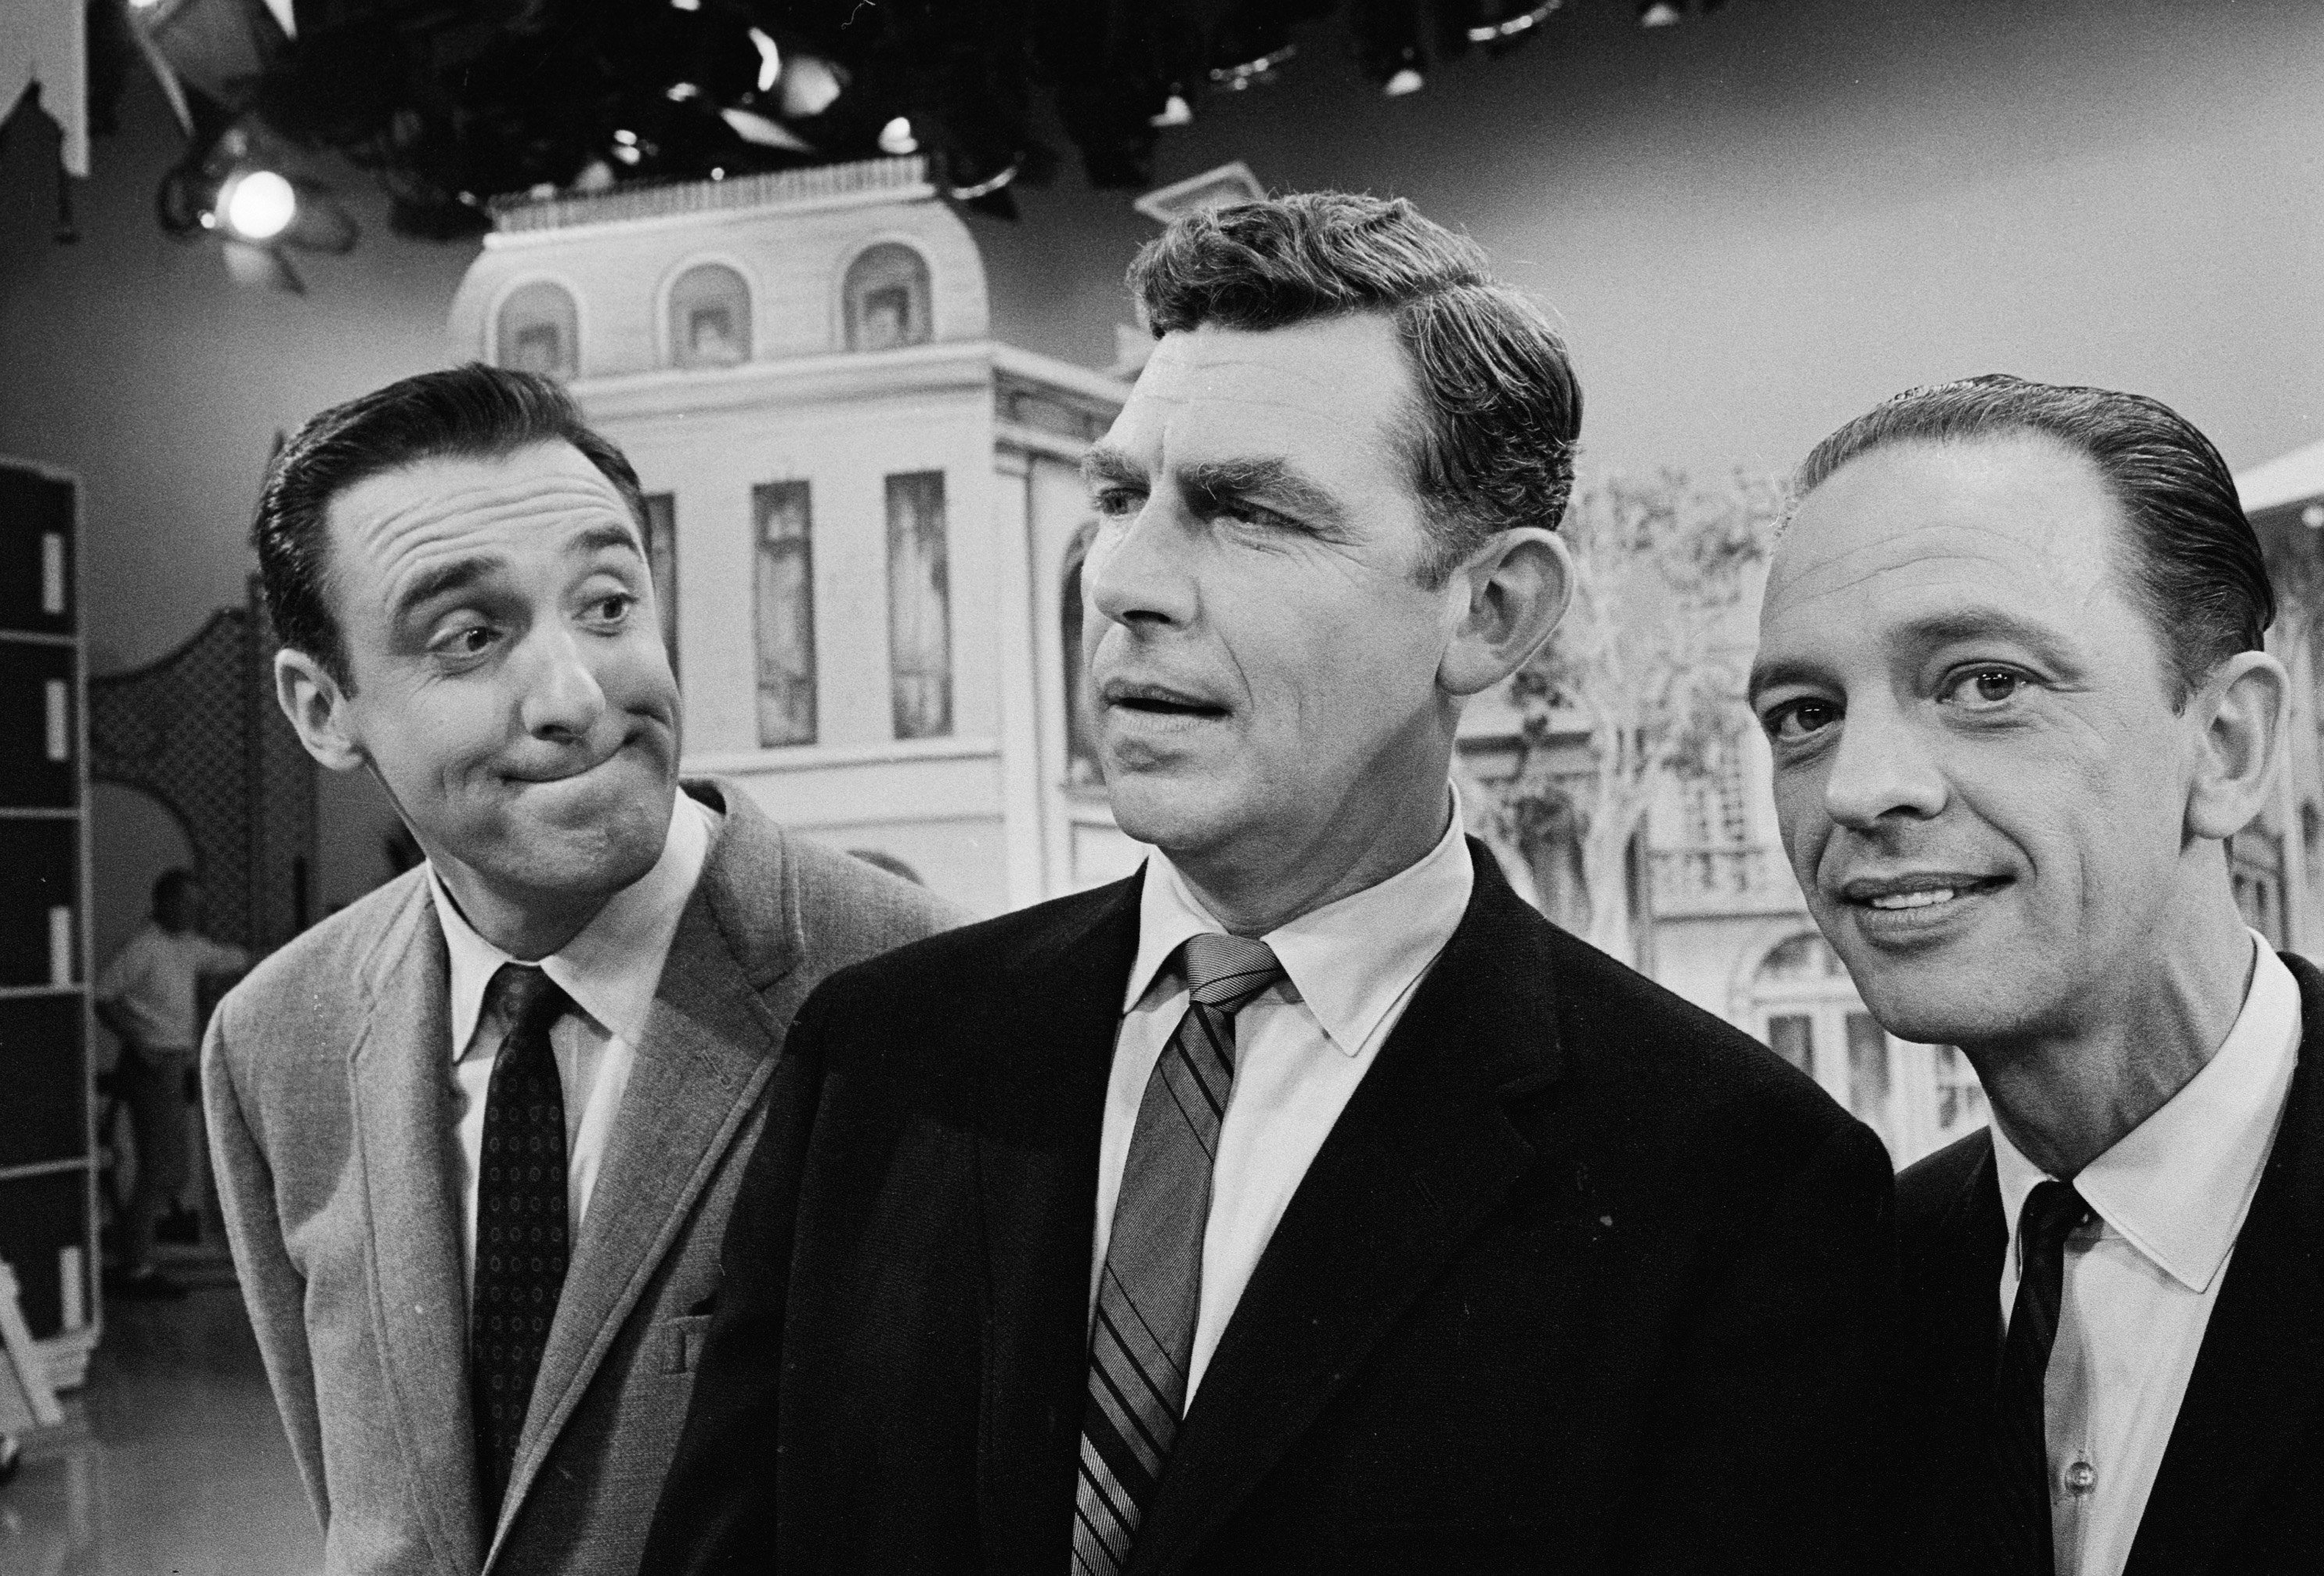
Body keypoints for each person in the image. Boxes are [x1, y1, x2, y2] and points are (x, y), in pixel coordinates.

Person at [644, 193, 1896, 1576]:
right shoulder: (879, 1054)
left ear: (1490, 611)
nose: (1123, 579)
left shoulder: (1731, 1177)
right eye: (1119, 497)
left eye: (1248, 513)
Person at [201, 365, 963, 1576]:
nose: (575, 694)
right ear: (322, 710)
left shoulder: (919, 994)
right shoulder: (275, 1035)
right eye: (470, 637)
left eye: (608, 606)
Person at [1751, 374, 2322, 1574]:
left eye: (1986, 684)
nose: (1859, 787)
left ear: (2225, 747)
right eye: (1805, 712)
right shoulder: (1846, 1294)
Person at [94, 867, 248, 1298]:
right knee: (161, 1168)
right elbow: (101, 996)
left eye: (197, 906)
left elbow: (233, 957)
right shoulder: (143, 948)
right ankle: (134, 1266)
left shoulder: (186, 948)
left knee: (171, 1168)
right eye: (183, 903)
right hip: (150, 1064)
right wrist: (138, 1042)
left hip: (173, 1063)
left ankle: (134, 1258)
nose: (191, 912)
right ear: (161, 902)